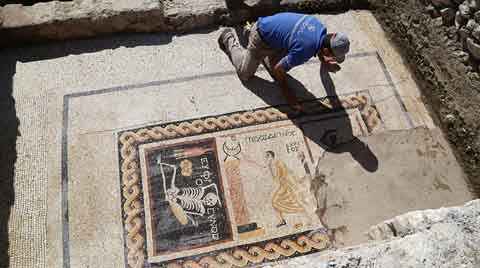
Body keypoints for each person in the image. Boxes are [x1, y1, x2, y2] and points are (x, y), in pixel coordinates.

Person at [218, 12, 350, 111]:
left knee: (277, 62)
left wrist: (324, 61)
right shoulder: (304, 51)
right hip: (261, 38)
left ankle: (258, 44)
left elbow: (319, 46)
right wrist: (287, 92)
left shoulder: (319, 27)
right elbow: (278, 70)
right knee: (245, 74)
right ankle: (228, 37)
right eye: (332, 56)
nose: (332, 59)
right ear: (326, 51)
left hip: (273, 31)